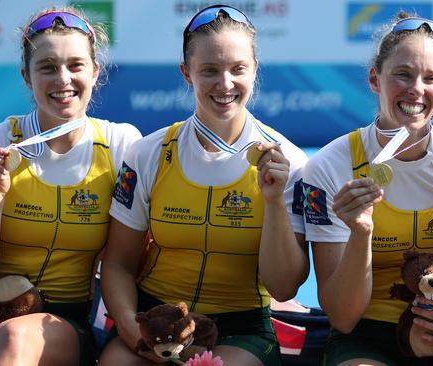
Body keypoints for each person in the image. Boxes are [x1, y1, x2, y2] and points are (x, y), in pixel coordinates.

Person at [98, 5, 309, 366]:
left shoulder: (289, 162)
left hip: (239, 329)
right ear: (186, 73)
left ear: (255, 70)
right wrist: (141, 337)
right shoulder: (148, 152)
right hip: (154, 321)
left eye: (237, 69)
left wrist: (272, 201)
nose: (224, 84)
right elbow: (117, 265)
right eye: (209, 70)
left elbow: (284, 287)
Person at [302, 11, 433, 366]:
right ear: (375, 79)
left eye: (430, 78)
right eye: (403, 74)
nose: (416, 89)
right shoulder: (330, 167)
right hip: (365, 335)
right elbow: (343, 318)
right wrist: (361, 232)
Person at [0, 7, 141, 366]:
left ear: (96, 71)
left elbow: (134, 259)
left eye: (75, 65)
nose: (63, 79)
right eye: (47, 67)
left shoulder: (121, 144)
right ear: (27, 76)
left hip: (64, 324)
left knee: (13, 339)